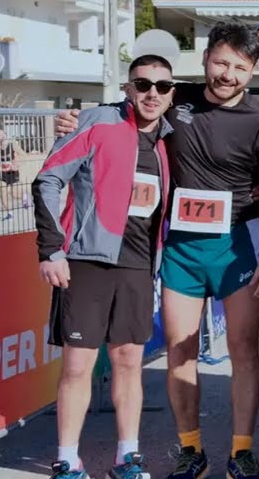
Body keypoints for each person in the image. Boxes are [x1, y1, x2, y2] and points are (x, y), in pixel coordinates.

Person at [54, 22, 259, 479]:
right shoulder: (173, 96)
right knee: (180, 350)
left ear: (251, 71)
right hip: (181, 248)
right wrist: (77, 119)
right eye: (221, 62)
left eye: (240, 67)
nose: (228, 74)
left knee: (244, 350)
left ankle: (242, 451)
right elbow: (126, 107)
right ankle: (191, 450)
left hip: (236, 246)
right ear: (205, 58)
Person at [33, 56, 176, 479]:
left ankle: (127, 458)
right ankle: (67, 460)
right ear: (128, 88)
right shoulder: (98, 122)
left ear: (172, 93)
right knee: (78, 366)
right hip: (86, 261)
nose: (152, 93)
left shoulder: (171, 138)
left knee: (129, 362)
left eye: (162, 86)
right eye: (143, 84)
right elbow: (48, 179)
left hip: (138, 265)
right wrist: (51, 249)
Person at [0, 125, 24, 221]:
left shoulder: (12, 145)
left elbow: (23, 155)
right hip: (3, 173)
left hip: (13, 172)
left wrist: (16, 164)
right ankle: (10, 214)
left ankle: (24, 197)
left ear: (5, 134)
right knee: (3, 193)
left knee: (14, 194)